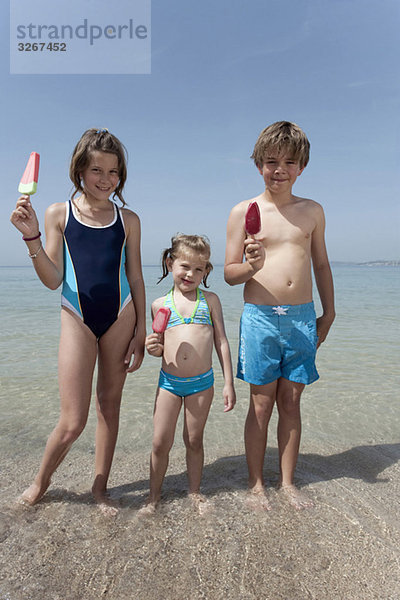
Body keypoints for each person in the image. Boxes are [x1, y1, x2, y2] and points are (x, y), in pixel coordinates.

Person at [10, 128, 146, 515]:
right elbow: (54, 280)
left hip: (122, 317)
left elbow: (135, 276)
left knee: (109, 407)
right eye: (97, 170)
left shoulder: (129, 220)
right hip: (77, 317)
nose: (106, 180)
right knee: (72, 421)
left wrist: (140, 331)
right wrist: (32, 236)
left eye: (114, 172)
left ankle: (100, 487)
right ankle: (41, 482)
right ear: (80, 171)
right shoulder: (58, 213)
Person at [224, 121, 335, 510]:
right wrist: (251, 266)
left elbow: (321, 265)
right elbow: (229, 274)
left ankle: (287, 482)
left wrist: (329, 312)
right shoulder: (244, 212)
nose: (279, 169)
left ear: (301, 166)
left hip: (303, 316)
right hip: (260, 316)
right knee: (261, 403)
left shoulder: (312, 211)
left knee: (291, 402)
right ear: (258, 164)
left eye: (289, 162)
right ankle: (256, 484)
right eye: (271, 161)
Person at [141, 234, 236, 514]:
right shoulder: (160, 305)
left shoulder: (211, 301)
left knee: (194, 440)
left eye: (199, 268)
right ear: (170, 263)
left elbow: (221, 341)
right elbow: (159, 348)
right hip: (169, 383)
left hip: (201, 383)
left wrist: (229, 383)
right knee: (160, 442)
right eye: (184, 266)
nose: (190, 274)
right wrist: (152, 348)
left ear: (207, 271)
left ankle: (194, 492)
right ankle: (153, 497)